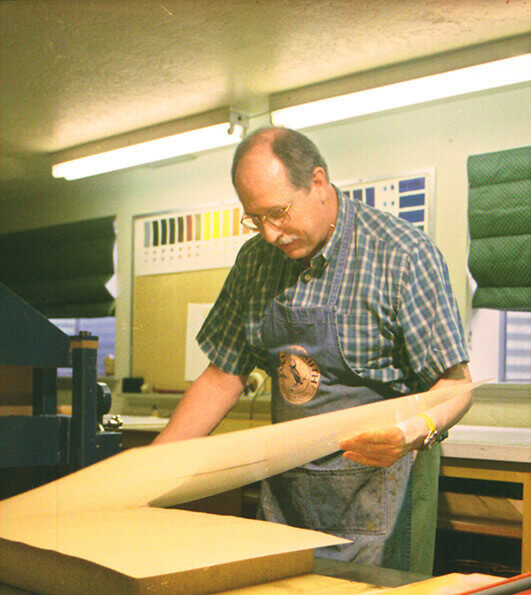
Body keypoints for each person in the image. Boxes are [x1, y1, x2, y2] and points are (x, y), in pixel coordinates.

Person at [154, 126, 471, 572]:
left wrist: (412, 431)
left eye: (278, 213)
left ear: (318, 184)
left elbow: (455, 387)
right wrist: (150, 472)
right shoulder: (255, 264)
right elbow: (222, 375)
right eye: (255, 218)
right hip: (285, 510)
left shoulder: (400, 255)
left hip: (374, 506)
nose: (269, 234)